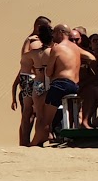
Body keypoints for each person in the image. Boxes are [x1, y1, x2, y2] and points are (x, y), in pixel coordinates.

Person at [35, 24, 92, 145]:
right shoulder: (76, 48)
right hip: (75, 85)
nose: (53, 36)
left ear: (61, 32)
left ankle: (39, 139)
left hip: (60, 85)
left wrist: (56, 69)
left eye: (54, 33)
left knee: (44, 116)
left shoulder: (57, 48)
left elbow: (49, 72)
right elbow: (91, 57)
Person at [10, 15, 52, 147]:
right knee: (28, 112)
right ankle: (25, 142)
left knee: (34, 112)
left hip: (36, 78)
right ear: (39, 27)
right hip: (30, 78)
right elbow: (25, 59)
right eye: (48, 27)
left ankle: (34, 140)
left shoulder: (39, 40)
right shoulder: (30, 40)